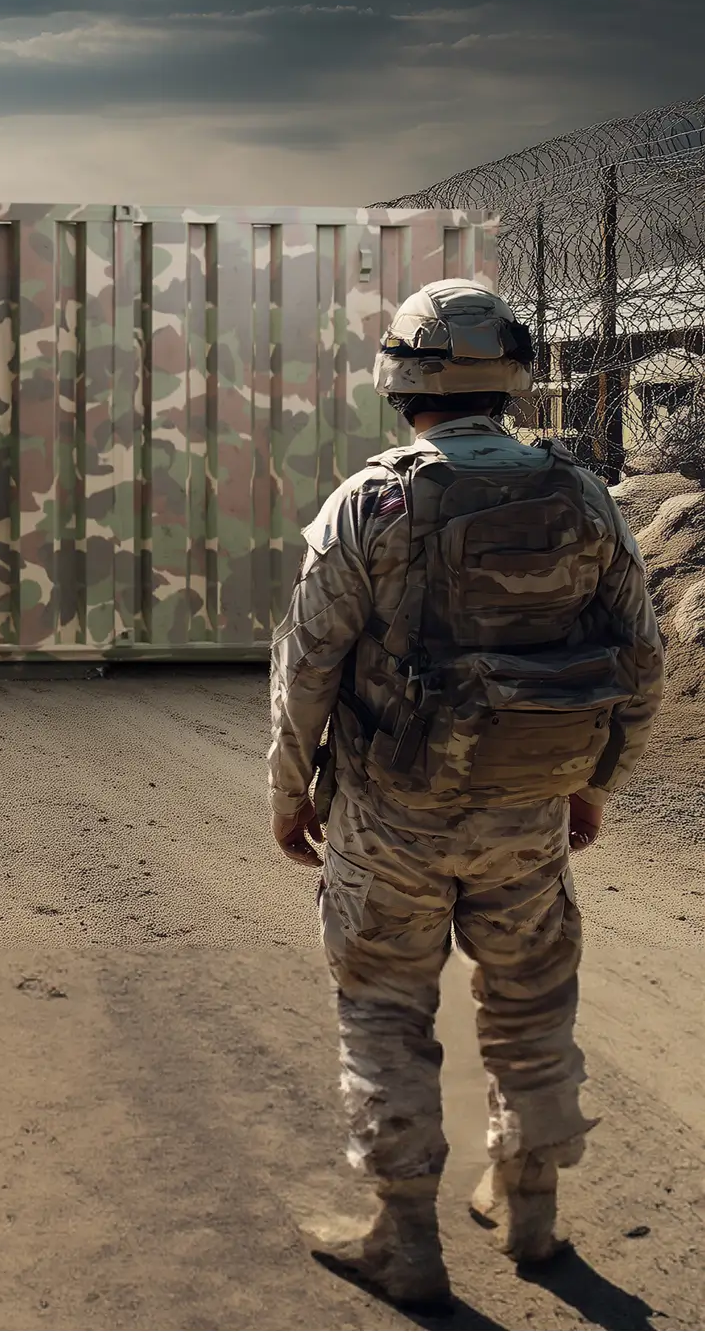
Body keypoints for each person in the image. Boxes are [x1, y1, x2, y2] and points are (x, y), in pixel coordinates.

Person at [268, 278, 664, 1307]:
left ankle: (402, 1241)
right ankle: (528, 1214)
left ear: (400, 381)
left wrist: (287, 791)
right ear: (513, 374)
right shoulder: (578, 495)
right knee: (531, 1005)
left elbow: (308, 661)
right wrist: (595, 780)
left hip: (388, 819)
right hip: (528, 814)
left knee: (384, 1012)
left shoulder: (373, 501)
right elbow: (642, 657)